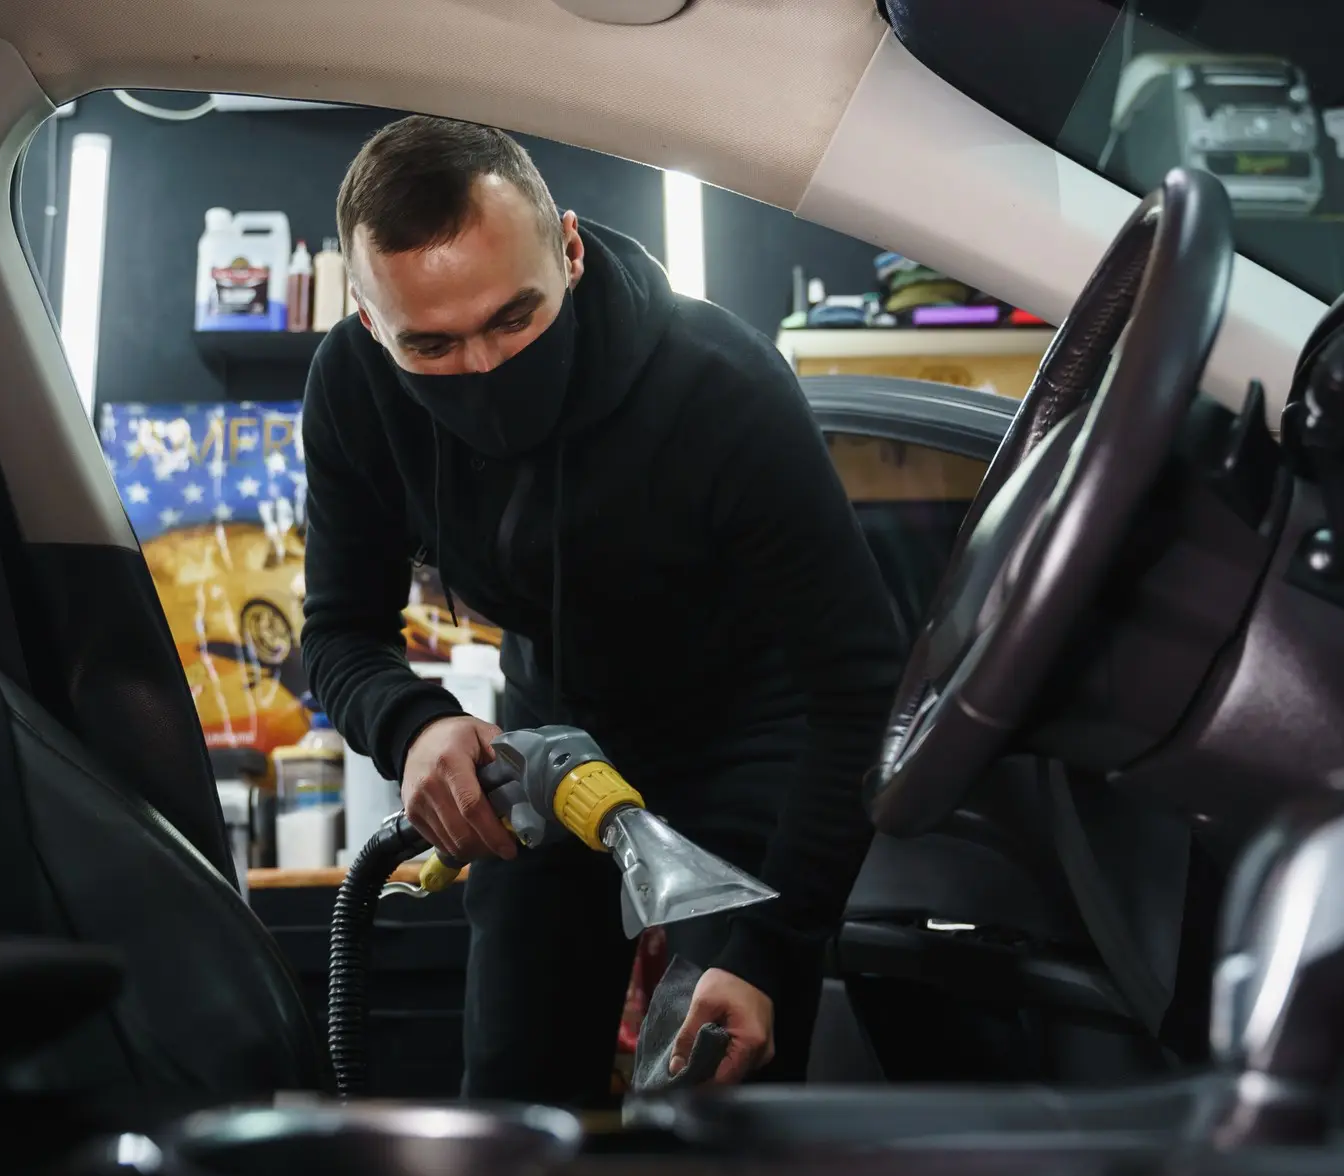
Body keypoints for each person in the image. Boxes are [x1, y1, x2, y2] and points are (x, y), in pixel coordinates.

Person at [301, 115, 904, 1105]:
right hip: (555, 743)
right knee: (513, 1095)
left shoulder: (717, 385)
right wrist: (411, 726)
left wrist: (766, 947)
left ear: (570, 251)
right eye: (433, 344)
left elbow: (859, 685)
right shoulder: (355, 393)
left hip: (749, 735)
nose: (485, 370)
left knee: (716, 1101)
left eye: (512, 319)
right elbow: (337, 632)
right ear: (370, 323)